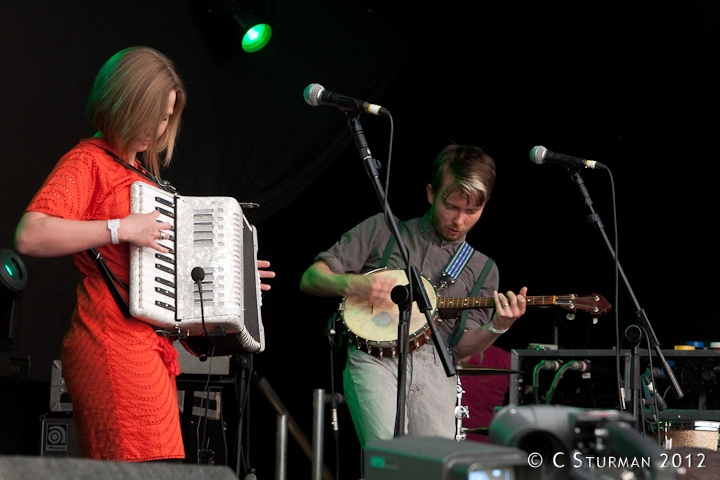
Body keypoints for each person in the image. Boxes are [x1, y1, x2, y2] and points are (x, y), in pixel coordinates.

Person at [14, 46, 274, 461]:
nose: (159, 126)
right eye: (153, 112)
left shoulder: (144, 177)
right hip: (109, 344)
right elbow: (30, 234)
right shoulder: (89, 162)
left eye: (168, 115)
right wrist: (119, 228)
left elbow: (167, 290)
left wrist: (232, 283)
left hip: (148, 352)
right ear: (122, 104)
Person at [299, 144, 527, 446]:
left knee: (432, 468)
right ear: (431, 193)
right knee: (389, 463)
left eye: (472, 211)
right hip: (375, 358)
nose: (460, 220)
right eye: (452, 207)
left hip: (437, 367)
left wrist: (498, 326)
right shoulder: (384, 230)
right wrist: (354, 285)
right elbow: (311, 278)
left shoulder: (483, 268)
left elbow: (463, 349)